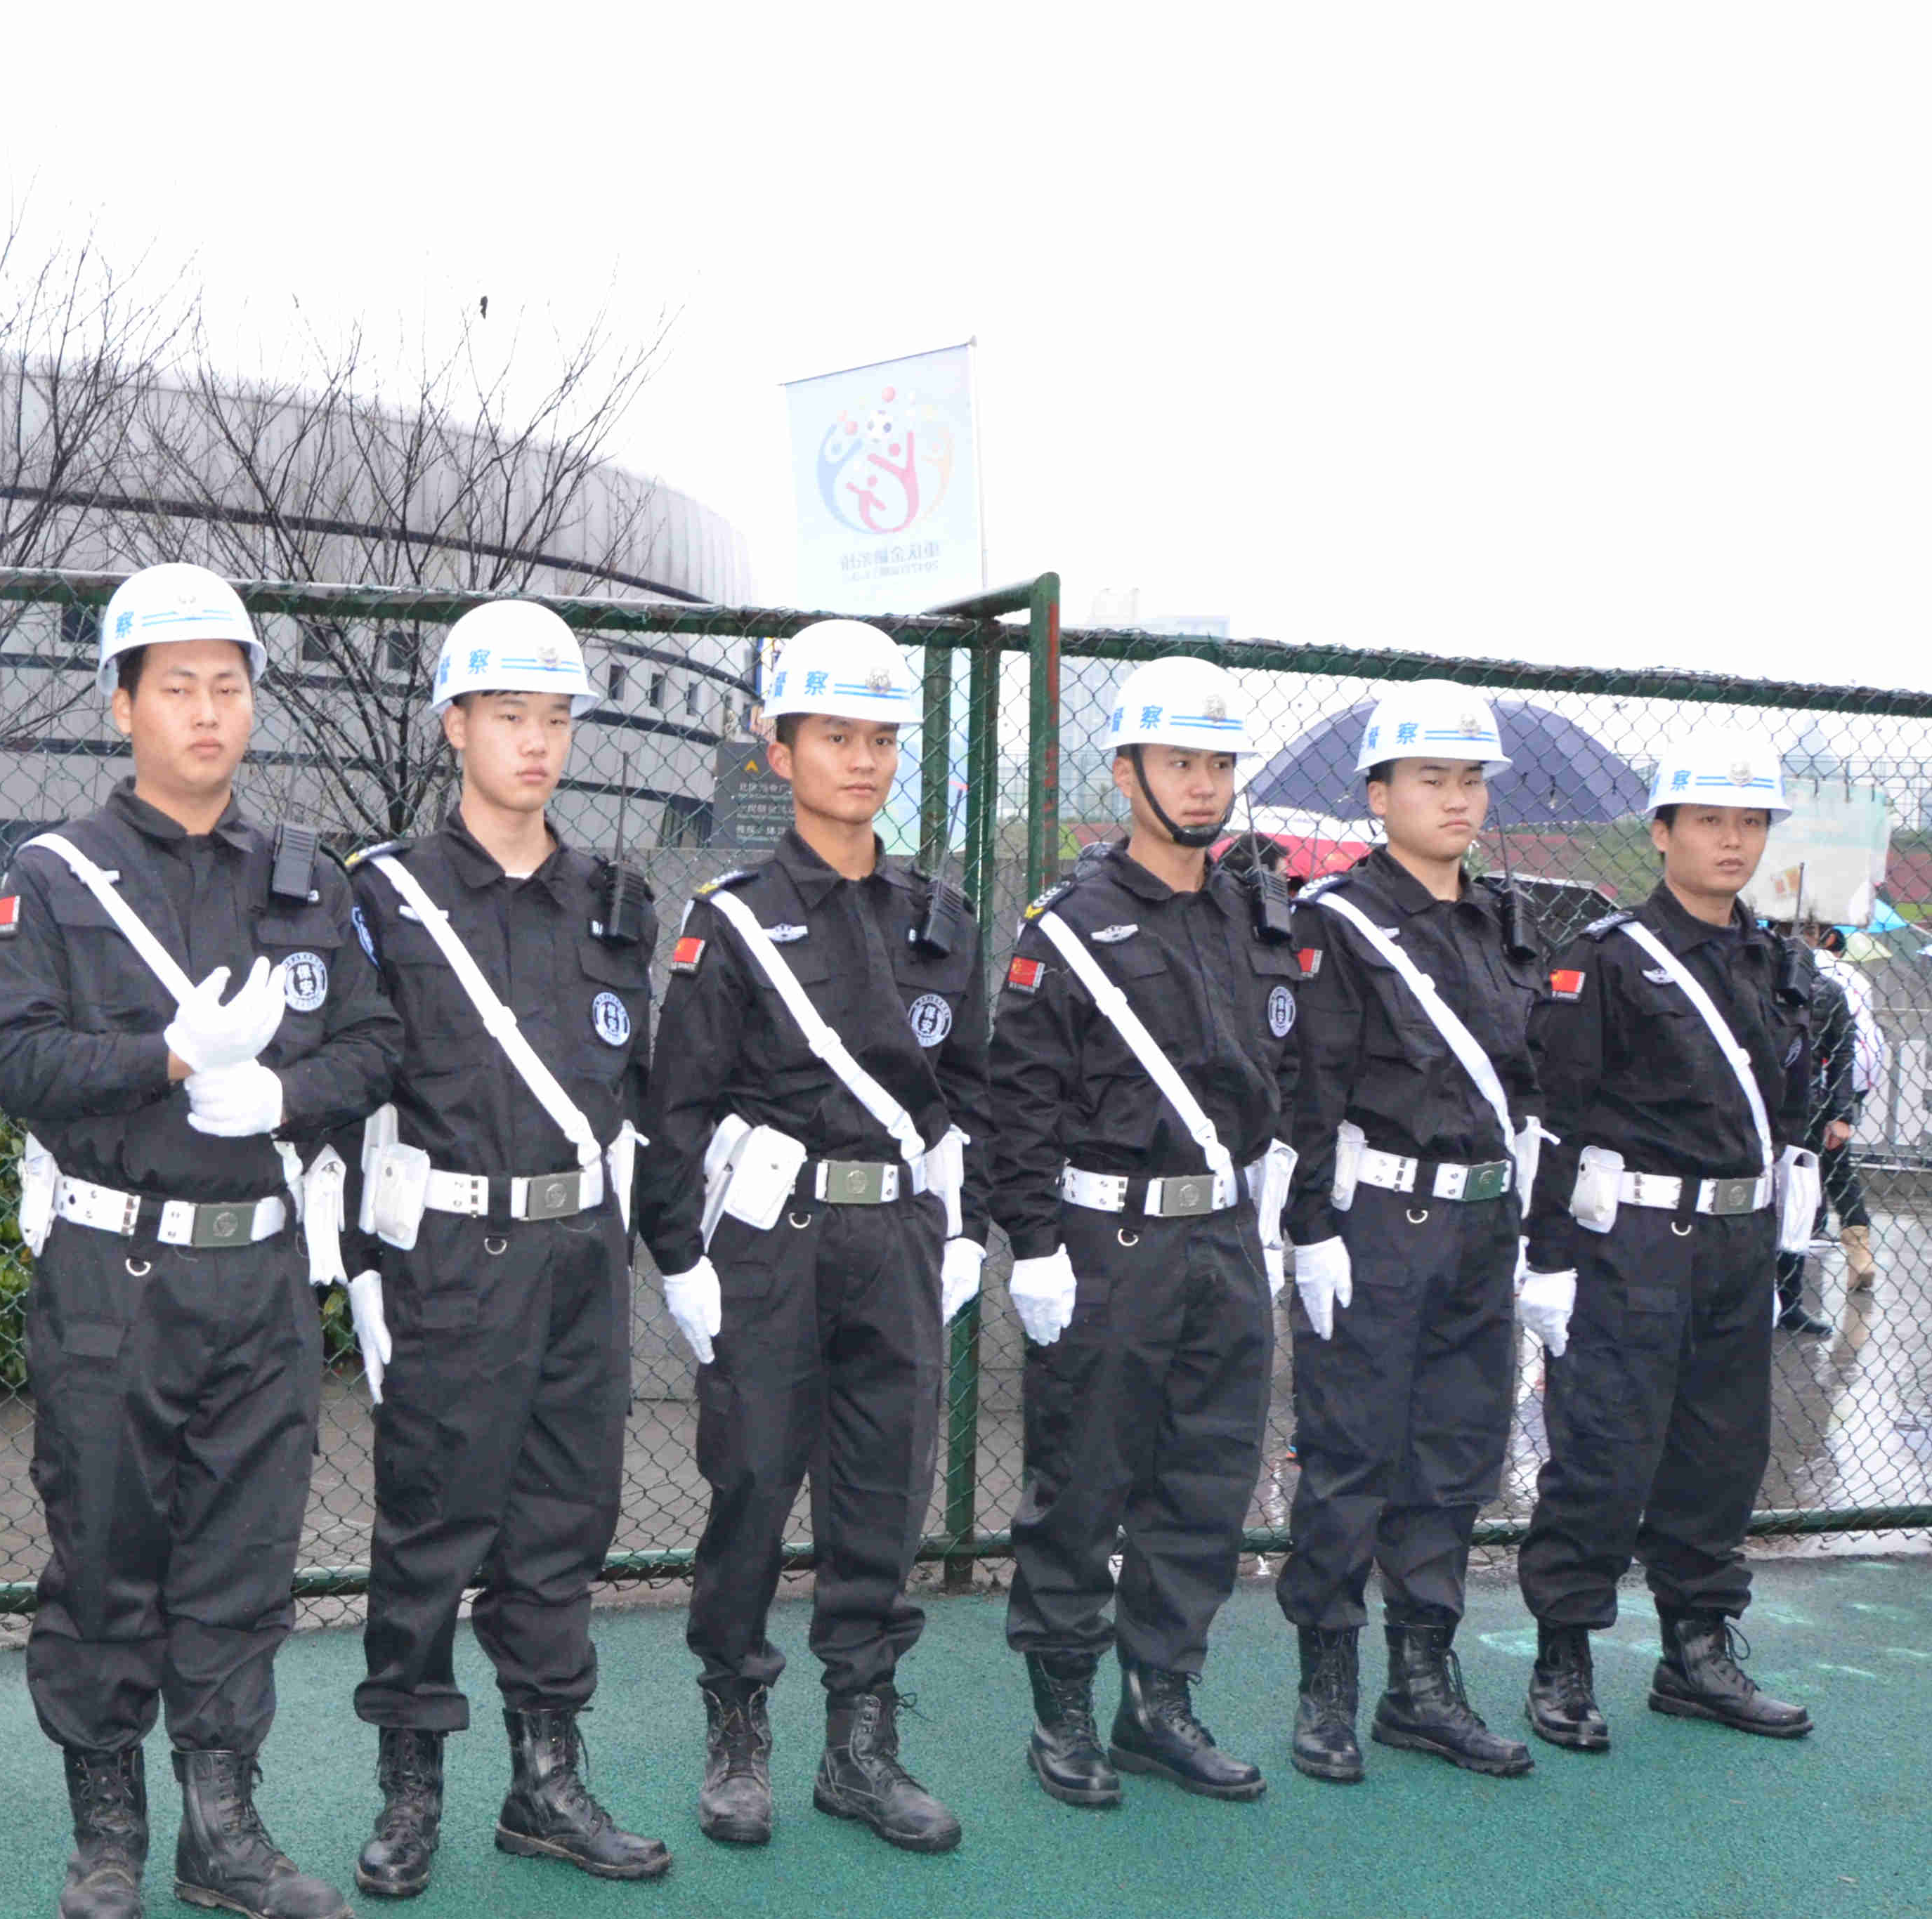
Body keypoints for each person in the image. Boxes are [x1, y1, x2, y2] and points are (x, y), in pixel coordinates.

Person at [0, 564, 403, 1919]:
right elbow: (13, 1059)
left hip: (261, 1271)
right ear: (123, 705)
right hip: (115, 1272)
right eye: (178, 687)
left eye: (228, 686)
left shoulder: (305, 877)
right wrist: (160, 1058)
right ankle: (107, 1835)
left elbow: (374, 1043)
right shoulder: (55, 876)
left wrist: (286, 1093)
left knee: (242, 1554)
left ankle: (224, 1827)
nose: (208, 711)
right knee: (104, 1547)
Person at [638, 616, 986, 1855]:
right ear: (779, 751)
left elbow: (971, 1093)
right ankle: (736, 1726)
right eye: (836, 737)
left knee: (883, 1491)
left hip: (898, 1236)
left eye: (881, 739)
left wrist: (965, 1230)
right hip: (770, 1243)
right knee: (750, 1483)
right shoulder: (732, 920)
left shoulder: (941, 918)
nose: (862, 761)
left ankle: (861, 1742)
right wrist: (677, 1255)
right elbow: (676, 1103)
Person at [341, 600, 671, 1898]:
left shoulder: (613, 901)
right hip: (448, 1252)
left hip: (580, 1252)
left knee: (562, 1523)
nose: (536, 743)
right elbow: (350, 1088)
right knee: (431, 1526)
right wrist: (360, 1269)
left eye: (554, 719)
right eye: (508, 716)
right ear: (454, 725)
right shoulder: (386, 895)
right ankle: (409, 1783)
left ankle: (545, 1779)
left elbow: (635, 1086)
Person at [984, 654, 1304, 1808]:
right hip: (1106, 1245)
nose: (1204, 784)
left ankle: (1158, 1701)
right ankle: (1064, 1707)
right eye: (1179, 761)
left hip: (1223, 1239)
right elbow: (1015, 1104)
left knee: (1205, 1482)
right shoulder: (1069, 928)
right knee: (1081, 1484)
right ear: (1126, 773)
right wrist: (1032, 1244)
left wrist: (1284, 1225)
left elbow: (1283, 1080)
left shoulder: (1253, 917)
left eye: (1219, 763)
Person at [1514, 742, 1820, 1750]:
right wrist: (1547, 1258)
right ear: (1662, 832)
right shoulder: (1608, 958)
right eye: (1709, 821)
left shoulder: (1771, 957)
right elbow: (1556, 1116)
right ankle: (1563, 1656)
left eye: (1751, 823)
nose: (1733, 841)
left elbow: (1786, 1107)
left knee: (1721, 1455)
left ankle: (1696, 1652)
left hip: (1738, 1241)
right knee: (1603, 1454)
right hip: (1634, 1243)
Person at [1272, 683, 1541, 1786]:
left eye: (1472, 779)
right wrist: (1310, 1231)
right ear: (1378, 795)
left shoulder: (1501, 921)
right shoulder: (1335, 923)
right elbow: (1308, 1092)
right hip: (1378, 1222)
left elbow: (1523, 1081)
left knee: (1455, 1458)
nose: (1458, 799)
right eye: (1432, 778)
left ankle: (1421, 1686)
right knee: (1350, 1459)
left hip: (1482, 1224)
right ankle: (1326, 1689)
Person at [1774, 922, 1862, 1336]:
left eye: (1807, 930)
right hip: (1749, 1108)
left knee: (1797, 1204)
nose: (1794, 937)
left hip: (1802, 1110)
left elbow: (1843, 1052)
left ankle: (1790, 1300)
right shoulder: (1745, 979)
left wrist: (1842, 1114)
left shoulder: (1828, 991)